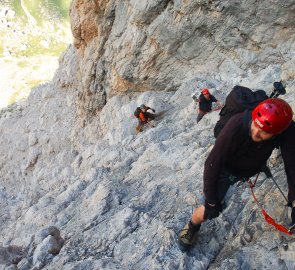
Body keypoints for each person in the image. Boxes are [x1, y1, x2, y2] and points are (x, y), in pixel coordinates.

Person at [178, 98, 295, 251]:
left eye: (264, 132)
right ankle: (192, 226)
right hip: (225, 170)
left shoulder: (287, 130)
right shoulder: (236, 125)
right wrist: (212, 202)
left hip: (251, 166)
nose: (256, 132)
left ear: (278, 132)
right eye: (255, 125)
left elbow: (292, 166)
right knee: (207, 208)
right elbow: (212, 164)